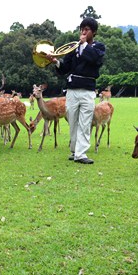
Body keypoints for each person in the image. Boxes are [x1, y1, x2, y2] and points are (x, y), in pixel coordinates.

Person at [46, 17, 105, 164]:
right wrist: (56, 62)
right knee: (73, 122)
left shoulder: (98, 47)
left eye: (87, 30)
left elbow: (95, 60)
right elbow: (65, 68)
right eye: (82, 29)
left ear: (94, 32)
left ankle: (81, 154)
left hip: (88, 91)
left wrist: (84, 45)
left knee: (85, 122)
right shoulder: (74, 48)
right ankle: (74, 150)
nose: (83, 32)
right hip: (71, 90)